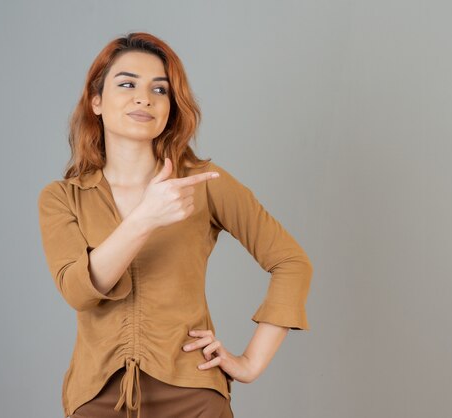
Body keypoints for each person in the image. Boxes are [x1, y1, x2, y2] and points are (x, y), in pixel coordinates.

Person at [37, 32, 313, 418]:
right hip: (97, 398)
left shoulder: (203, 182)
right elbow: (79, 292)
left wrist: (250, 362)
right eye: (127, 83)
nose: (144, 97)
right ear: (96, 101)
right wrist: (147, 217)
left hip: (193, 395)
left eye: (160, 89)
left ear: (171, 106)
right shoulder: (63, 197)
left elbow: (291, 262)